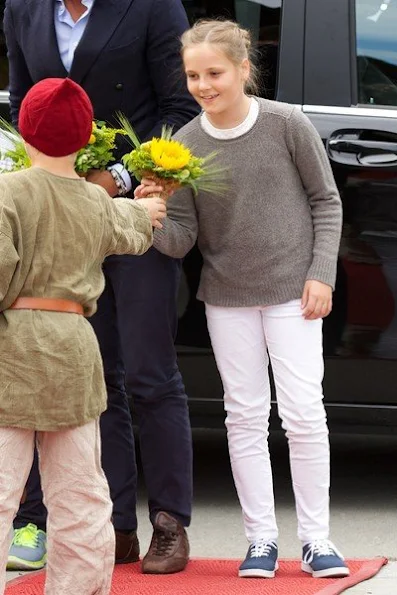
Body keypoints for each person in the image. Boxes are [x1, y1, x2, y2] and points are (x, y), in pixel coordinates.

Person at [136, 19, 350, 580]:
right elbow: (180, 240)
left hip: (292, 291)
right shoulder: (182, 146)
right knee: (245, 417)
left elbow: (326, 202)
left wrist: (321, 273)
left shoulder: (285, 123)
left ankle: (316, 539)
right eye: (192, 76)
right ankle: (261, 541)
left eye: (214, 73)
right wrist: (151, 211)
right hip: (227, 297)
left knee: (304, 413)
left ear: (243, 69)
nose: (203, 85)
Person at [3, 0, 199, 574]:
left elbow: (178, 106)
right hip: (57, 205)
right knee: (91, 378)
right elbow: (23, 103)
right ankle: (112, 528)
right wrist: (51, 171)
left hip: (132, 199)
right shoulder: (23, 8)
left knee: (148, 372)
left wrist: (118, 177)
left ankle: (168, 522)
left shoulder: (155, 6)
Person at [0, 77, 166, 595]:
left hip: (14, 350)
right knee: (80, 491)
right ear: (83, 139)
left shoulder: (7, 192)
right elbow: (132, 223)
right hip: (75, 347)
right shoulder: (95, 202)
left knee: (2, 486)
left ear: (24, 131)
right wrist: (150, 208)